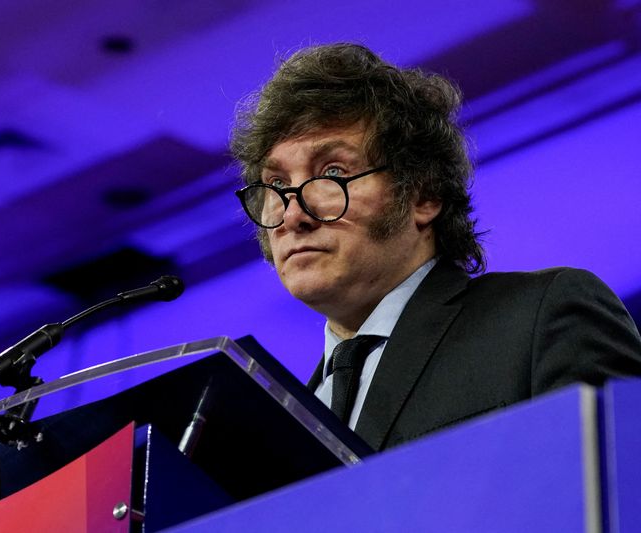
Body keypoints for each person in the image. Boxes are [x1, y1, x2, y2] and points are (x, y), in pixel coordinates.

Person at [231, 43, 641, 452]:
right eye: (278, 184)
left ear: (424, 195)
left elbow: (619, 496)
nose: (292, 214)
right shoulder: (287, 427)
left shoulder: (542, 318)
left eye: (333, 171)